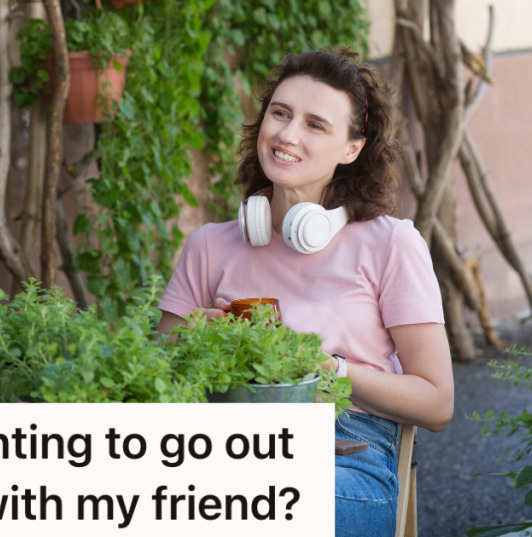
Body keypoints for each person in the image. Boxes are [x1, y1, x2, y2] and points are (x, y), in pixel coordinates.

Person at [157, 49, 453, 537]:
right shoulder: (210, 245)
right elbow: (156, 373)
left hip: (345, 450)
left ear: (351, 148)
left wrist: (328, 369)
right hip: (224, 446)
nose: (288, 135)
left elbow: (437, 403)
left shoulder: (391, 243)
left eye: (315, 125)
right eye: (280, 113)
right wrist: (195, 340)